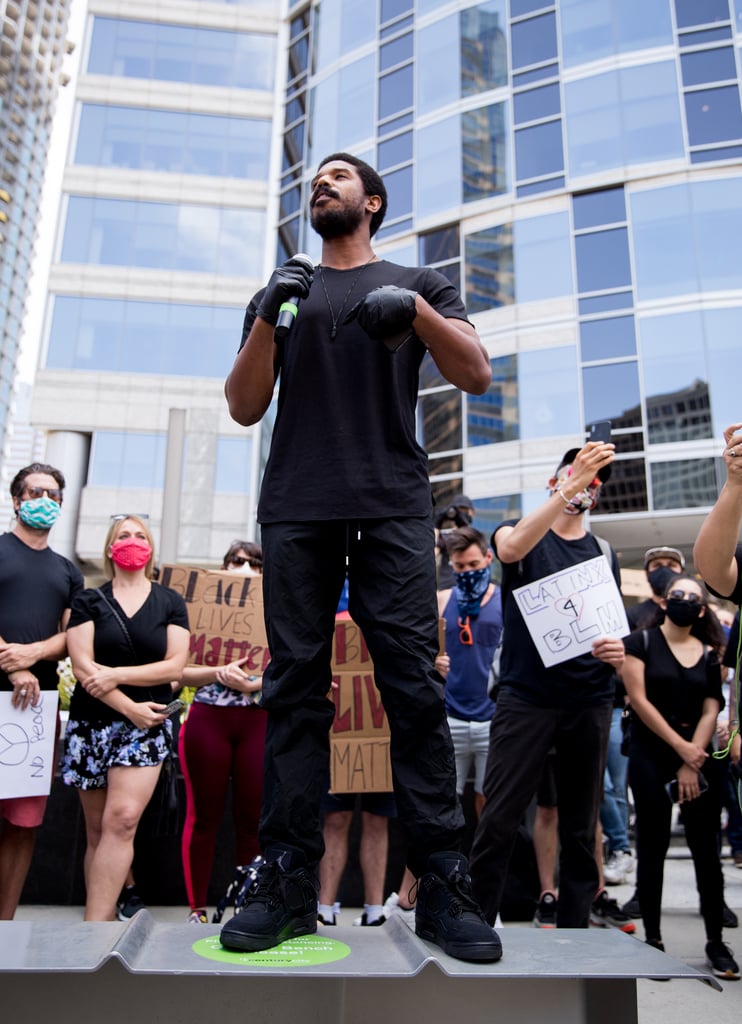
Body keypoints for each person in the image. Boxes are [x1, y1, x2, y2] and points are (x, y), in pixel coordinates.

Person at [219, 152, 501, 962]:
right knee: (296, 688)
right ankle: (286, 881)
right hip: (297, 504)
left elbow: (475, 372)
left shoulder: (423, 282)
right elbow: (243, 408)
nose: (323, 183)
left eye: (340, 176)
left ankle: (443, 881)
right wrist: (271, 314)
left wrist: (413, 310)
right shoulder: (283, 292)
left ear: (372, 202)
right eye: (317, 178)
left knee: (410, 685)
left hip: (389, 502)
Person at [469, 443, 626, 929]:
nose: (584, 485)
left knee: (582, 827)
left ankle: (577, 927)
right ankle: (476, 920)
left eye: (591, 481)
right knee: (499, 816)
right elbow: (509, 549)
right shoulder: (521, 534)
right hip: (526, 698)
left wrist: (616, 652)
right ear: (555, 482)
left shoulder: (603, 553)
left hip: (590, 700)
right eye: (576, 474)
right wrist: (569, 484)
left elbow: (610, 628)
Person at [61, 515, 190, 920]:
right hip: (93, 725)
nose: (131, 541)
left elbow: (173, 667)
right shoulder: (88, 600)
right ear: (110, 547)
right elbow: (83, 666)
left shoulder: (170, 601)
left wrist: (116, 675)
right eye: (123, 535)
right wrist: (129, 707)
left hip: (147, 727)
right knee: (99, 831)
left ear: (151, 547)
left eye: (139, 535)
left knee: (123, 820)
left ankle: (94, 928)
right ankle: (96, 917)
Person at [621, 573, 739, 978]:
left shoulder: (709, 654)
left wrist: (693, 759)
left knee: (707, 850)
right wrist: (681, 748)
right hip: (651, 752)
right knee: (651, 846)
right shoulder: (640, 643)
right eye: (678, 595)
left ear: (702, 609)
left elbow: (712, 708)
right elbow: (638, 699)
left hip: (699, 758)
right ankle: (653, 939)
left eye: (694, 596)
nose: (685, 600)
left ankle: (715, 941)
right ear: (664, 603)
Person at [0, 463, 84, 920]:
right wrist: (11, 665)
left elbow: (71, 636)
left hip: (34, 709)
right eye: (37, 492)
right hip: (8, 692)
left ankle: (5, 924)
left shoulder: (67, 572)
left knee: (22, 823)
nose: (46, 501)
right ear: (16, 499)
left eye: (54, 495)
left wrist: (31, 655)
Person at [179, 540, 266, 923]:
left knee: (252, 818)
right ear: (223, 566)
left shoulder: (275, 610)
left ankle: (247, 905)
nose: (244, 568)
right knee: (203, 816)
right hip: (208, 718)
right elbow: (175, 670)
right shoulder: (198, 612)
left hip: (256, 718)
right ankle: (196, 908)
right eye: (237, 561)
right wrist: (218, 673)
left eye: (254, 563)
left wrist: (254, 683)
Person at [434, 525, 502, 819]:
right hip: (450, 715)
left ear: (488, 558)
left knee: (490, 800)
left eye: (474, 564)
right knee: (444, 801)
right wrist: (434, 664)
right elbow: (423, 652)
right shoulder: (442, 600)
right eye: (460, 566)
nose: (467, 571)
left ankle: (483, 864)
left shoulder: (505, 600)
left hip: (493, 716)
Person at [435, 495, 476, 589]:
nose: (461, 514)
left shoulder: (477, 536)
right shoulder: (445, 537)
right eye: (459, 511)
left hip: (469, 587)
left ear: (472, 512)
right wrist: (436, 525)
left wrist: (464, 525)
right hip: (448, 589)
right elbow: (430, 556)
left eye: (465, 511)